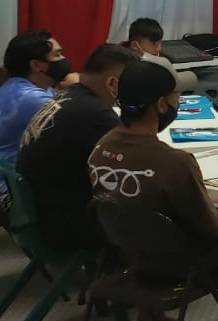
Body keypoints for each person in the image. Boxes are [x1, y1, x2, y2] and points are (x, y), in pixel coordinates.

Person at [89, 59, 218, 321]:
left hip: (127, 253)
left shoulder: (102, 145)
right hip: (180, 265)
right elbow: (210, 229)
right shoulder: (174, 162)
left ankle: (150, 318)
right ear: (161, 105)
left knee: (146, 221)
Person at [17, 43, 139, 250]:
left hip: (36, 215)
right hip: (64, 225)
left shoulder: (69, 96)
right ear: (112, 83)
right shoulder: (97, 115)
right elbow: (136, 166)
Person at [0, 31, 72, 216]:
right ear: (37, 65)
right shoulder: (30, 98)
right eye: (58, 55)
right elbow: (75, 120)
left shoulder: (21, 87)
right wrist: (79, 87)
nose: (64, 59)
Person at [126, 17, 199, 92]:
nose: (159, 48)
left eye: (160, 42)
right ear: (135, 45)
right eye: (154, 43)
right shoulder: (122, 65)